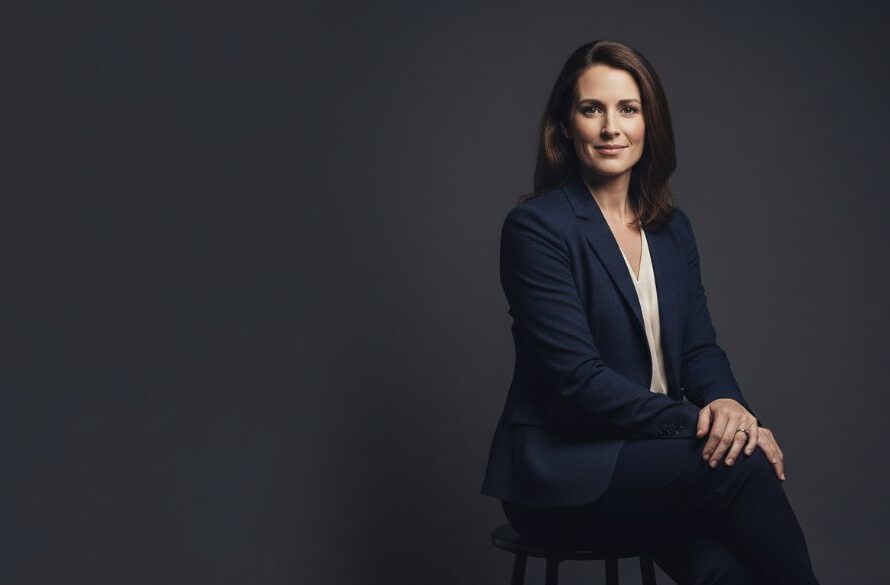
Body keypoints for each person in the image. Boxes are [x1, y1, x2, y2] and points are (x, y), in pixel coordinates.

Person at [479, 39, 821, 585]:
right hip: (565, 473)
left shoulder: (671, 229)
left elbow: (698, 349)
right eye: (592, 109)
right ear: (565, 125)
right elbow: (576, 380)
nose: (611, 128)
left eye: (628, 109)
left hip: (654, 464)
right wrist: (703, 425)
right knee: (742, 463)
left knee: (723, 571)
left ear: (648, 123)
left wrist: (731, 407)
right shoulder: (538, 229)